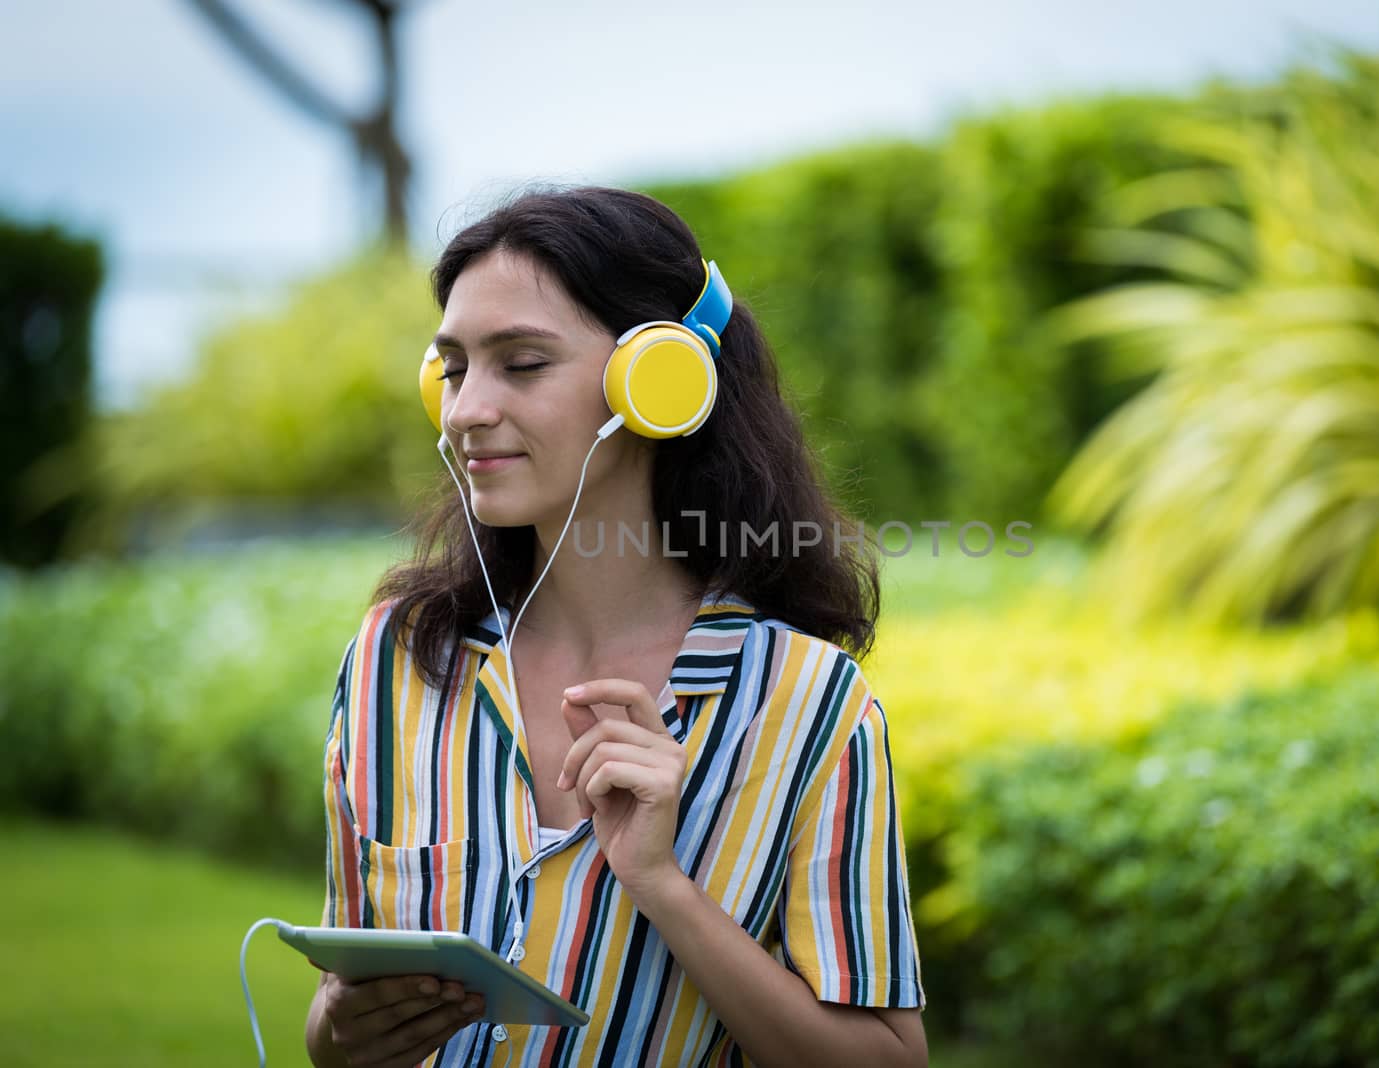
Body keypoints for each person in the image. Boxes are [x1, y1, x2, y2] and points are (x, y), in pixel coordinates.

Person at [304, 186, 926, 1067]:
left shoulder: (809, 707)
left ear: (657, 384)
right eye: (453, 368)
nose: (464, 410)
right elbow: (334, 1026)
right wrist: (341, 1033)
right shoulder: (395, 660)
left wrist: (661, 885)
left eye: (521, 364)